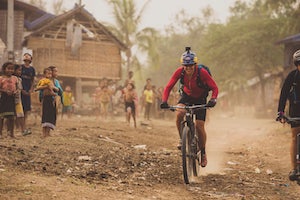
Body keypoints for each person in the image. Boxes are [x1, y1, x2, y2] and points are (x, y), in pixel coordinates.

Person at [160, 47, 218, 168]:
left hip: (201, 99)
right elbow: (168, 86)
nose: (188, 68)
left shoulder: (202, 72)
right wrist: (164, 101)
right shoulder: (179, 72)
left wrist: (213, 99)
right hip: (186, 97)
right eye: (185, 66)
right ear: (183, 66)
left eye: (190, 65)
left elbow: (214, 88)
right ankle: (182, 138)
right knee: (179, 113)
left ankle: (203, 152)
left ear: (195, 64)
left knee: (199, 126)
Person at [276, 49, 300, 181]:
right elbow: (284, 94)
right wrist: (280, 112)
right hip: (296, 110)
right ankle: (294, 168)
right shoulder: (292, 76)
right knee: (295, 137)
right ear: (296, 65)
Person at [0, 62, 19, 138]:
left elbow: (17, 88)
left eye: (12, 69)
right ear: (4, 69)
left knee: (11, 117)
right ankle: (0, 133)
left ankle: (11, 133)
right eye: (8, 68)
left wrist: (15, 91)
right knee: (1, 117)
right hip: (3, 98)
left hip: (12, 98)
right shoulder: (1, 78)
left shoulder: (15, 78)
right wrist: (5, 91)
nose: (10, 70)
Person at [21, 53, 36, 133]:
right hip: (21, 91)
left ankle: (24, 124)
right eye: (25, 58)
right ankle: (20, 125)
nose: (27, 60)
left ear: (30, 60)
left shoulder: (32, 69)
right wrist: (21, 89)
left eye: (28, 58)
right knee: (20, 108)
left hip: (28, 91)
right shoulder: (21, 67)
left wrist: (31, 89)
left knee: (26, 109)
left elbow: (33, 80)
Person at [14, 64, 30, 136]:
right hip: (10, 100)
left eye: (20, 70)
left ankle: (23, 130)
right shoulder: (12, 79)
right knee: (9, 116)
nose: (20, 71)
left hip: (18, 100)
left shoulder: (20, 79)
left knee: (21, 115)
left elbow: (20, 89)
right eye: (18, 70)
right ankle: (10, 130)